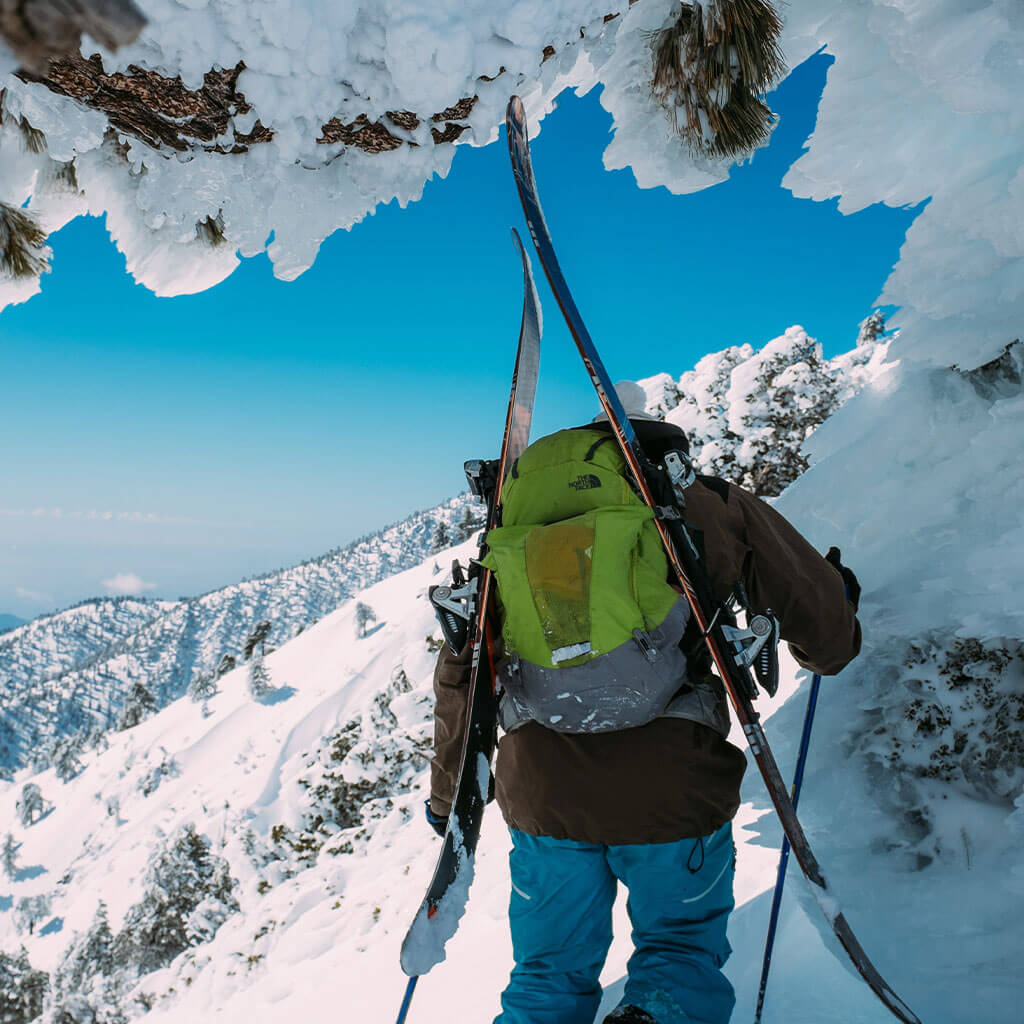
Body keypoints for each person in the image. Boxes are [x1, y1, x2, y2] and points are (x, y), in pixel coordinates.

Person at [426, 383, 861, 1024]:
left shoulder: (514, 528)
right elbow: (827, 642)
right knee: (678, 956)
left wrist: (447, 802)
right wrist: (838, 607)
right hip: (673, 784)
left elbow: (466, 666)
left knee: (546, 976)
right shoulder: (702, 506)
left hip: (542, 791)